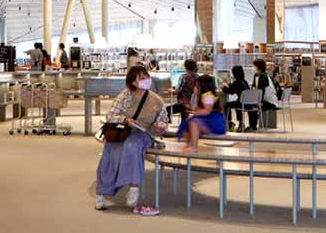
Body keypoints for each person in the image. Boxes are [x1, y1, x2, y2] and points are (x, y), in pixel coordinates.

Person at [95, 65, 167, 216]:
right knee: (110, 150)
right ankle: (101, 194)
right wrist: (125, 119)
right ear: (133, 82)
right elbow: (111, 116)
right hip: (122, 132)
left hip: (142, 134)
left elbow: (163, 122)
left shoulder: (157, 100)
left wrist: (159, 127)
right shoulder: (124, 96)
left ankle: (134, 187)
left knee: (132, 146)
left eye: (146, 76)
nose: (146, 80)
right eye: (141, 78)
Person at [177, 74, 227, 150]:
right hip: (208, 121)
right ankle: (188, 144)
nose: (194, 88)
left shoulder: (208, 96)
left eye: (196, 86)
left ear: (203, 87)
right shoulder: (203, 97)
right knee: (187, 123)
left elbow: (207, 111)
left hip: (214, 123)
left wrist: (195, 113)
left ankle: (194, 146)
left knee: (193, 123)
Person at [247, 58, 277, 131]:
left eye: (254, 66)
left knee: (252, 107)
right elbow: (254, 88)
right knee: (250, 105)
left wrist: (258, 102)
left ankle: (253, 126)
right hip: (262, 99)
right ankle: (252, 125)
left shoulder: (263, 76)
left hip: (268, 101)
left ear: (258, 67)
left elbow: (261, 91)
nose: (253, 68)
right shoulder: (256, 75)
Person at [221, 65, 250, 131]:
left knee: (227, 105)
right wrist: (228, 85)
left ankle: (229, 122)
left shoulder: (237, 82)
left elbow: (231, 91)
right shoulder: (244, 81)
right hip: (249, 103)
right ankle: (241, 123)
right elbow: (234, 87)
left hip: (242, 103)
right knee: (237, 103)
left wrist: (224, 87)